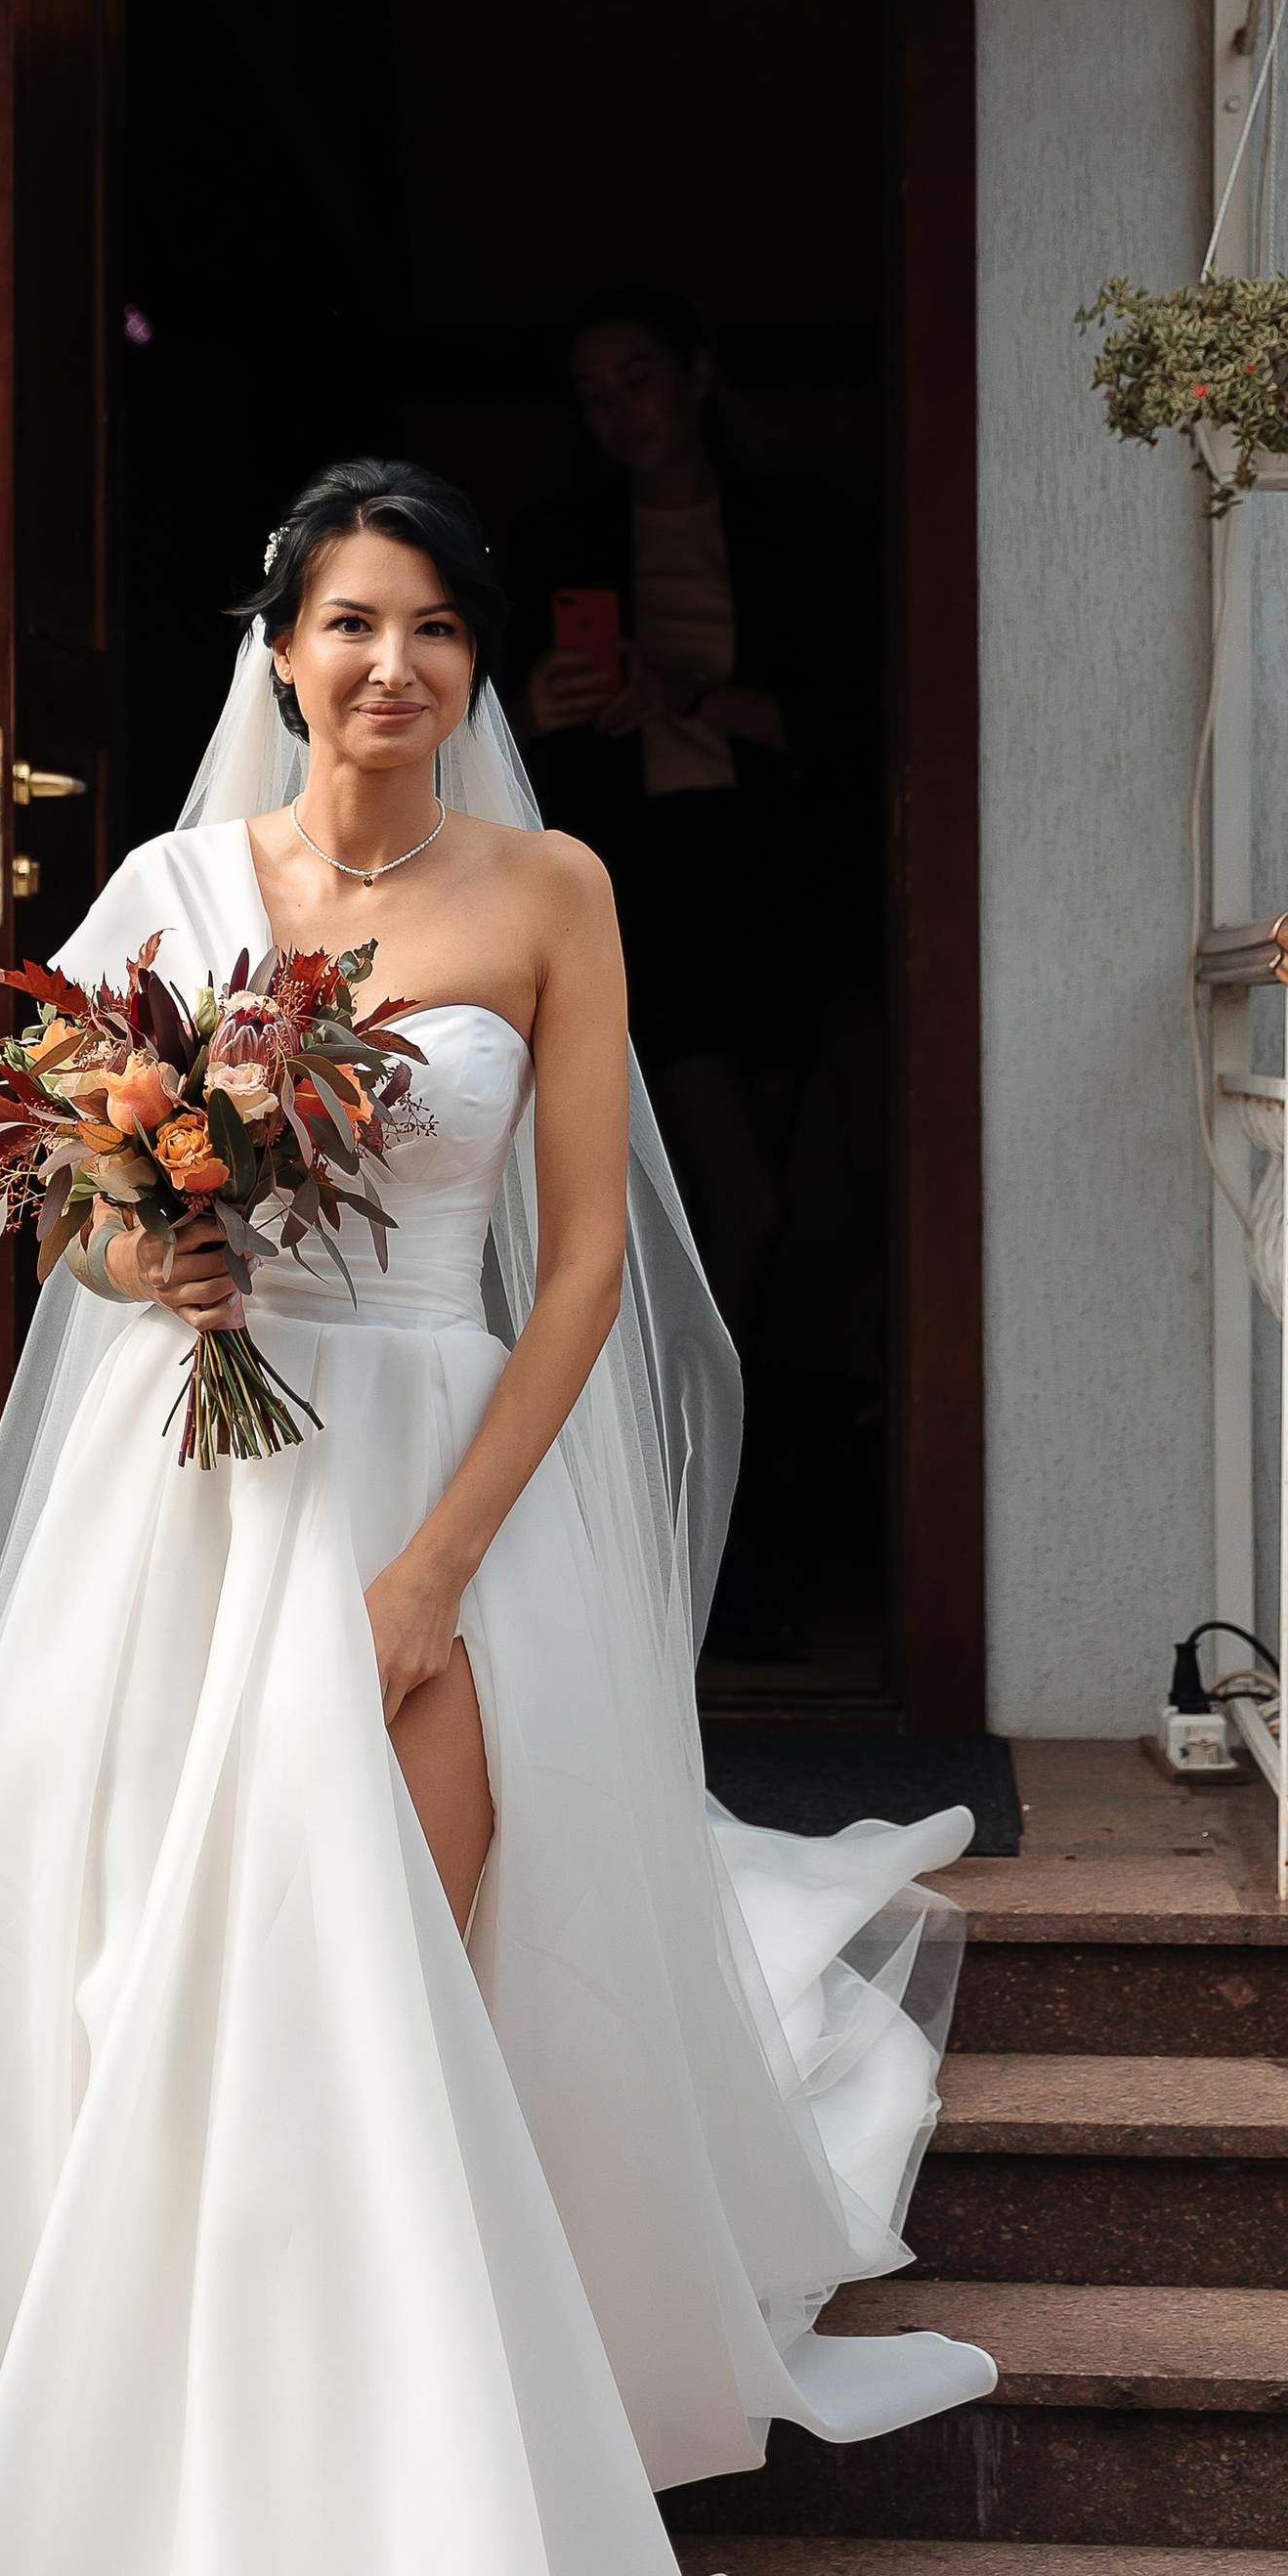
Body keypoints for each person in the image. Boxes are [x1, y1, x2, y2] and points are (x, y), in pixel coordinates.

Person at [0, 458, 991, 2576]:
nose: (393, 666)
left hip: (451, 1486)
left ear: (474, 667)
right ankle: (151, 2418)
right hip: (195, 1486)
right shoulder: (166, 896)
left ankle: (428, 2452)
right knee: (166, 1941)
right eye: (351, 624)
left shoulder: (548, 897)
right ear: (278, 650)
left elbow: (581, 1267)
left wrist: (440, 1563)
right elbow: (93, 1217)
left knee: (416, 1954)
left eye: (436, 628)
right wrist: (167, 1222)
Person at [520, 292, 878, 1656]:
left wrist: (683, 695)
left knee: (759, 1205)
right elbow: (478, 744)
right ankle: (691, 1471)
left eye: (638, 380)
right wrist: (541, 708)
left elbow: (852, 721)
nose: (620, 413)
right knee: (742, 1196)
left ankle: (711, 1476)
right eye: (593, 392)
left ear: (698, 374)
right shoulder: (554, 536)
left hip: (772, 888)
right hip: (637, 895)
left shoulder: (796, 530)